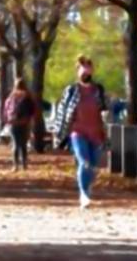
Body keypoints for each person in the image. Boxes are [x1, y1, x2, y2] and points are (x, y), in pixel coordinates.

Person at [54, 55, 108, 209]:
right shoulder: (71, 90)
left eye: (88, 70)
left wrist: (106, 115)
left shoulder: (99, 90)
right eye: (83, 70)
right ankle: (83, 195)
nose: (86, 73)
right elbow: (62, 112)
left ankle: (86, 186)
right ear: (77, 72)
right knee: (84, 161)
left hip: (97, 133)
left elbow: (105, 108)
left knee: (92, 165)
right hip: (77, 132)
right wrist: (59, 133)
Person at [4, 78, 37, 172]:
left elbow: (6, 110)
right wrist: (31, 120)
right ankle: (24, 164)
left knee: (15, 144)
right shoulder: (28, 96)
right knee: (23, 144)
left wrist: (7, 120)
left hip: (13, 123)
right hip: (25, 123)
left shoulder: (11, 97)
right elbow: (33, 110)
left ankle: (15, 165)